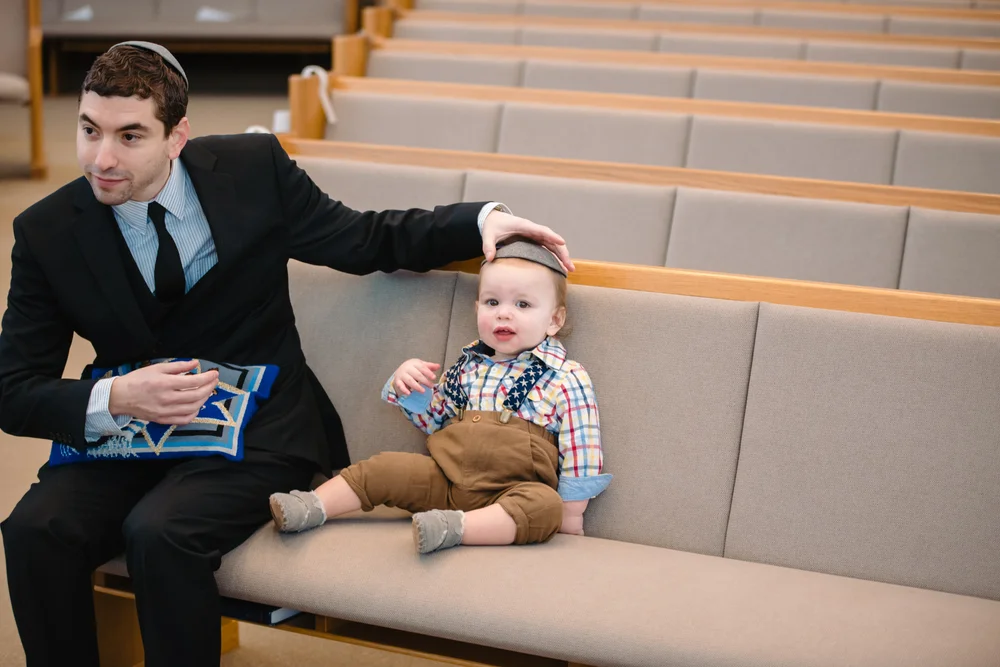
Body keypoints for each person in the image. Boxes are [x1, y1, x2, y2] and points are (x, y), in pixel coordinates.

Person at [0, 42, 574, 667]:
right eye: (88, 130)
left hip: (259, 430)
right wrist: (115, 397)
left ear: (176, 136)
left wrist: (481, 220)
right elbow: (14, 390)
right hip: (130, 434)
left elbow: (361, 238)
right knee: (35, 531)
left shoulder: (253, 171)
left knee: (161, 532)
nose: (101, 158)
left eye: (129, 136)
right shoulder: (45, 231)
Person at [269, 238, 611, 553]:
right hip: (445, 480)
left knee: (543, 506)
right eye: (492, 302)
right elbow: (436, 422)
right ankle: (311, 506)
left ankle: (453, 528)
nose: (504, 313)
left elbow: (582, 444)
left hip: (510, 492)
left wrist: (571, 513)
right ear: (477, 308)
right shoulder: (466, 368)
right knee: (384, 467)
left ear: (554, 320)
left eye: (523, 304)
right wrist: (410, 385)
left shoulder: (565, 376)